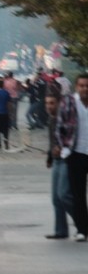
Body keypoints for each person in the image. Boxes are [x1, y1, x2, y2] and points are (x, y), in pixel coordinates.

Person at [56, 73, 88, 242]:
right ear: (77, 87)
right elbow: (59, 126)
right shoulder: (69, 102)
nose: (84, 89)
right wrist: (64, 148)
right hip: (75, 153)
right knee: (78, 194)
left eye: (87, 86)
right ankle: (82, 229)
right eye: (82, 85)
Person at [45, 89, 76, 239]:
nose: (49, 106)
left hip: (67, 159)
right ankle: (61, 230)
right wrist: (50, 156)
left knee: (64, 194)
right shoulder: (51, 119)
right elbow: (51, 141)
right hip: (56, 160)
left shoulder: (65, 118)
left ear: (59, 103)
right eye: (47, 103)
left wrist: (62, 147)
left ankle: (82, 221)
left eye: (52, 103)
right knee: (56, 199)